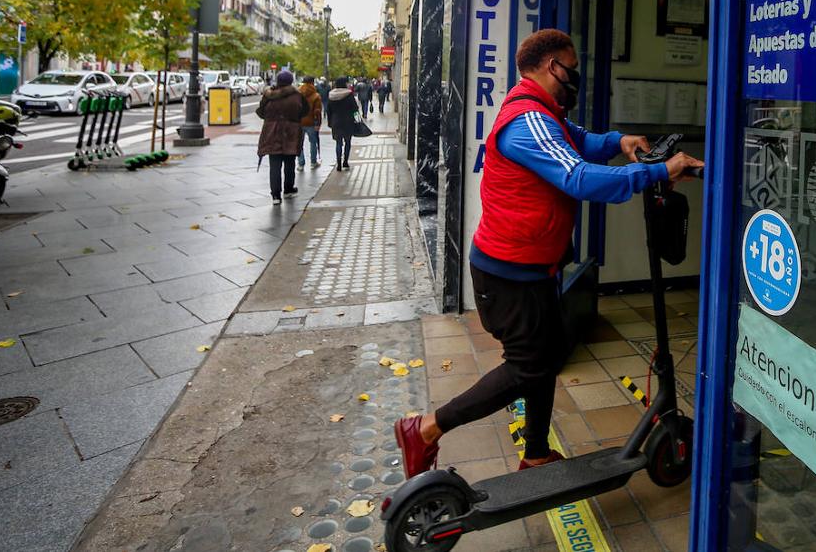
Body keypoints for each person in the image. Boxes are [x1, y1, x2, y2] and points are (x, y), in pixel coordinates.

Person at [395, 29, 703, 477]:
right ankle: (424, 428)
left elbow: (579, 140)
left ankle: (536, 452)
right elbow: (579, 178)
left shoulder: (544, 113)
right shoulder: (527, 121)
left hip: (532, 269)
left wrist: (620, 142)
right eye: (571, 67)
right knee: (528, 368)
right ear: (548, 65)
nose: (575, 76)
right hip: (507, 275)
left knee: (546, 355)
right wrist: (658, 171)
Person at [256, 70, 308, 205]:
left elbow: (261, 112)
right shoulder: (297, 95)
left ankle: (275, 195)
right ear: (291, 81)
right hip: (291, 132)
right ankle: (288, 189)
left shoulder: (269, 95)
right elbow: (304, 111)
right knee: (290, 163)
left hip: (272, 132)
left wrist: (271, 119)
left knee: (274, 165)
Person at [327, 76, 360, 171]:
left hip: (336, 122)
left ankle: (338, 164)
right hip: (348, 122)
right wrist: (358, 121)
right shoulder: (349, 94)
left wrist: (330, 122)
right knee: (348, 142)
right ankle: (345, 161)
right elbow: (355, 109)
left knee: (338, 143)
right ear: (344, 83)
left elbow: (329, 111)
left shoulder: (331, 95)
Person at [298, 75, 323, 169]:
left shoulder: (298, 94)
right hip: (311, 122)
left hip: (299, 122)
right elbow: (317, 111)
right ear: (312, 82)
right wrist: (318, 123)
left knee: (299, 143)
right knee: (313, 142)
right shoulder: (315, 95)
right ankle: (313, 162)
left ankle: (300, 163)